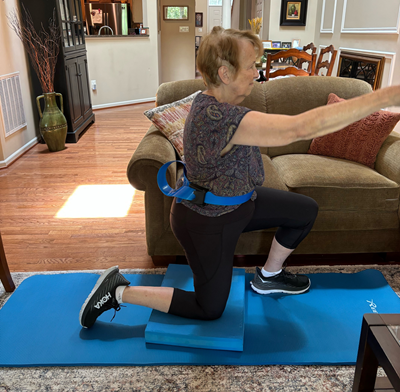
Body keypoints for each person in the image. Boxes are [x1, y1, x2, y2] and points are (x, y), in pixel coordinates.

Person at [79, 27, 400, 328]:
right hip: (208, 220)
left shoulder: (213, 100)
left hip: (242, 203)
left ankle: (269, 276)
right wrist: (382, 98)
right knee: (210, 309)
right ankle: (119, 291)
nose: (257, 73)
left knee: (303, 210)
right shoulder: (219, 116)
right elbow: (301, 128)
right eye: (251, 66)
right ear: (225, 73)